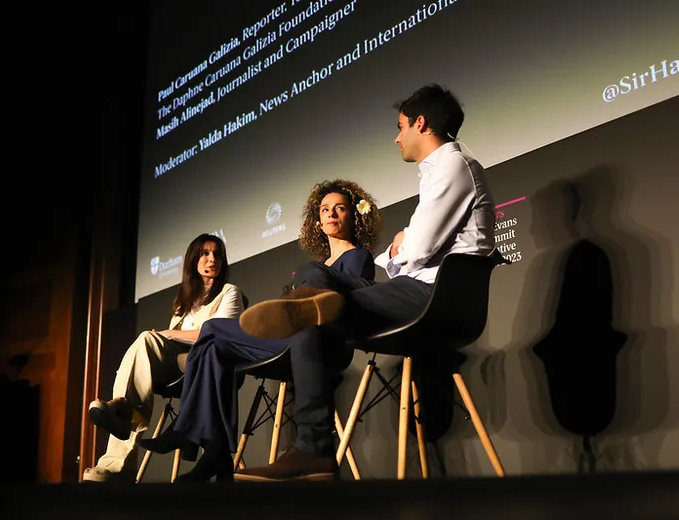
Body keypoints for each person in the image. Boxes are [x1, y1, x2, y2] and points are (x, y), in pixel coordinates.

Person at [234, 83, 497, 482]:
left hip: (432, 297)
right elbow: (410, 248)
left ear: (421, 123)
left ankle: (313, 449)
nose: (397, 137)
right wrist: (400, 247)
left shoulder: (451, 165)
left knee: (313, 301)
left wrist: (398, 248)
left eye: (401, 126)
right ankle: (310, 303)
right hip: (411, 290)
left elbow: (419, 247)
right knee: (314, 276)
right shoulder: (441, 171)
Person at [137, 179, 382, 483]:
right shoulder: (318, 265)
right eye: (325, 209)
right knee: (213, 347)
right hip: (292, 341)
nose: (332, 214)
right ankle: (215, 454)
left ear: (352, 216)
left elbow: (342, 310)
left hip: (319, 345)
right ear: (317, 222)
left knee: (212, 327)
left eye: (340, 208)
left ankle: (186, 429)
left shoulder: (358, 256)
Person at [83, 233, 245, 483]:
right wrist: (169, 336)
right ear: (193, 260)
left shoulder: (229, 292)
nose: (212, 259)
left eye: (217, 255)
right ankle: (116, 444)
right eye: (205, 253)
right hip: (179, 369)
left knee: (150, 338)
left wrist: (171, 333)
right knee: (145, 344)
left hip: (209, 366)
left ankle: (120, 412)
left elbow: (220, 334)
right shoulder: (184, 302)